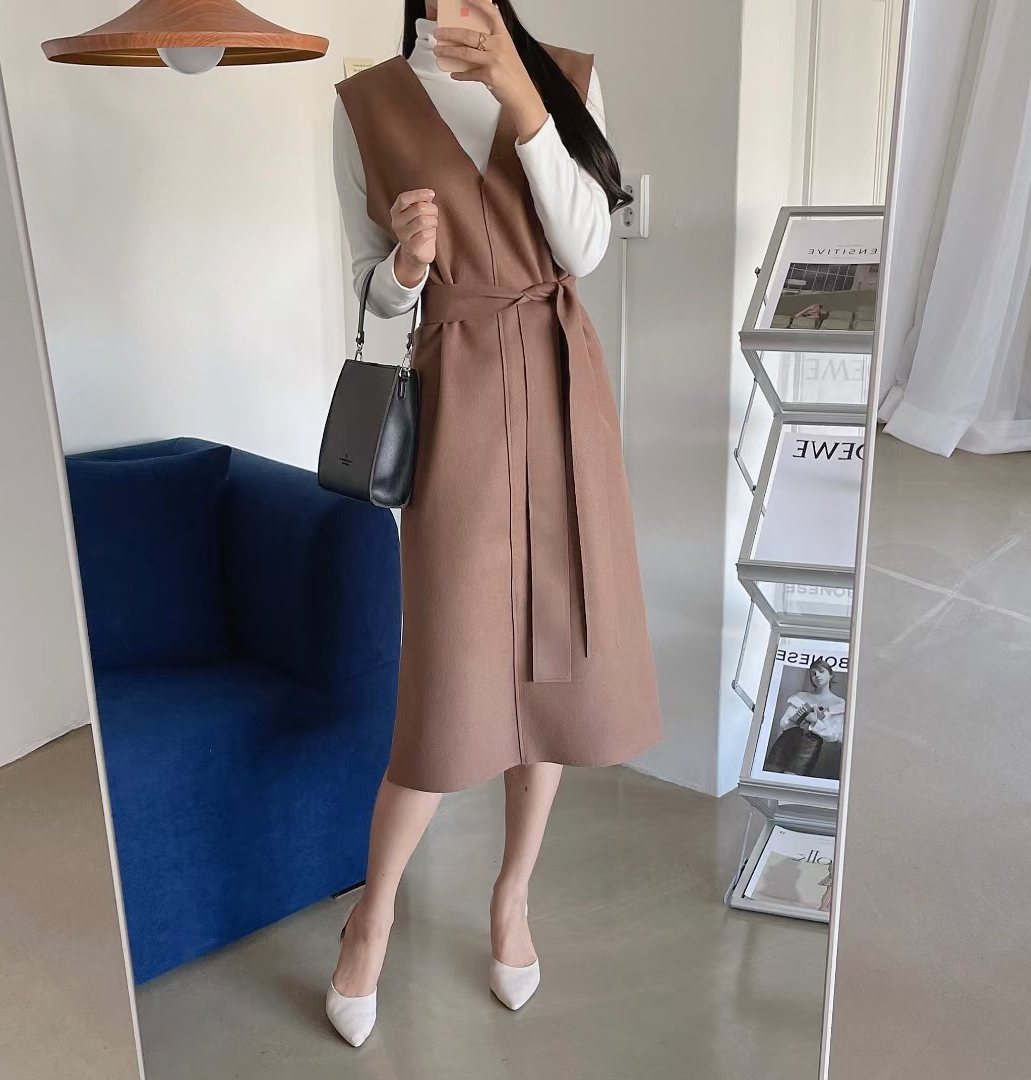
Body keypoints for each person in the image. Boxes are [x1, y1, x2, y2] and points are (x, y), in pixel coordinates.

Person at [327, 0, 662, 1046]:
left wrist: (522, 96)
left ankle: (512, 899)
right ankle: (372, 916)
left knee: (550, 659)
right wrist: (405, 268)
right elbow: (369, 294)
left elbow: (585, 247)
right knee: (451, 669)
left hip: (562, 391)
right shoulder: (367, 102)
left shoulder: (564, 74)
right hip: (459, 400)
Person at [764, 659, 845, 777]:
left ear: (831, 675)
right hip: (786, 740)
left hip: (808, 746)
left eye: (821, 671)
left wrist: (815, 721)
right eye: (813, 673)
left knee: (791, 778)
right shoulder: (800, 696)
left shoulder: (839, 703)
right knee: (770, 774)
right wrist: (797, 718)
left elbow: (834, 735)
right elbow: (784, 723)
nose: (817, 675)